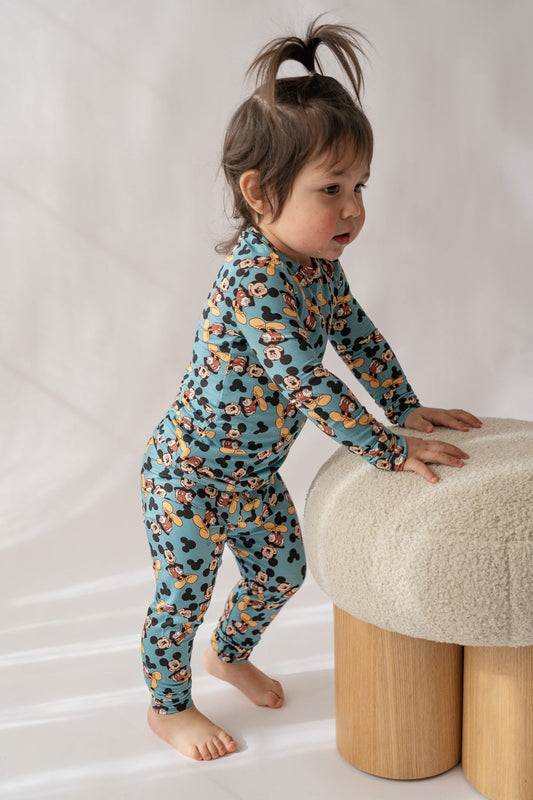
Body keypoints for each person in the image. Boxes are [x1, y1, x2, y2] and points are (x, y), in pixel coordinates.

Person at [140, 18, 481, 761]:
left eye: (359, 186)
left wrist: (403, 405)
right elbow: (306, 381)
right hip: (188, 475)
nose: (353, 208)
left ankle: (228, 655)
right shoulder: (257, 280)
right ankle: (168, 708)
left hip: (252, 476)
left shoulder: (319, 269)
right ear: (259, 193)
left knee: (281, 573)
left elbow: (356, 335)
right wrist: (387, 448)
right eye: (332, 189)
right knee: (183, 592)